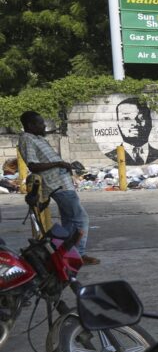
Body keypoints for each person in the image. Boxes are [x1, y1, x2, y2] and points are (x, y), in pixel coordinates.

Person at [18, 111, 99, 265]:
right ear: (30, 125)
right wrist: (59, 163)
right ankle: (78, 255)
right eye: (40, 123)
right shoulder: (27, 139)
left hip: (63, 183)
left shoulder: (38, 138)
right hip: (56, 185)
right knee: (80, 219)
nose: (44, 126)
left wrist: (63, 165)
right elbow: (33, 165)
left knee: (69, 221)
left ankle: (67, 255)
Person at [103, 97, 158, 166]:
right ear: (118, 123)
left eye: (141, 118)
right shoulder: (112, 156)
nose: (134, 123)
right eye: (126, 118)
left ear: (150, 121)